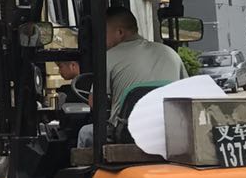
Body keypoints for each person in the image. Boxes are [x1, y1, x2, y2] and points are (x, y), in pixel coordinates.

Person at [77, 8, 186, 147]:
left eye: (103, 34)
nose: (100, 40)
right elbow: (186, 93)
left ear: (120, 33)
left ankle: (88, 163)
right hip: (169, 131)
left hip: (127, 135)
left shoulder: (108, 57)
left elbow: (95, 103)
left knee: (85, 133)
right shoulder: (171, 54)